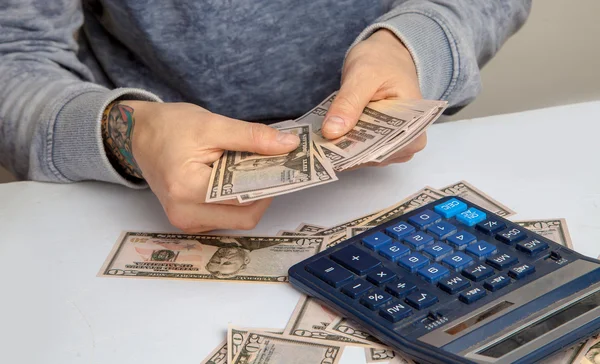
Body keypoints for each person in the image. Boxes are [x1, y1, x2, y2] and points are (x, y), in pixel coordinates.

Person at [0, 1, 532, 233]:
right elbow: (13, 56)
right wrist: (123, 133)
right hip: (135, 196)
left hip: (397, 173)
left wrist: (413, 46)